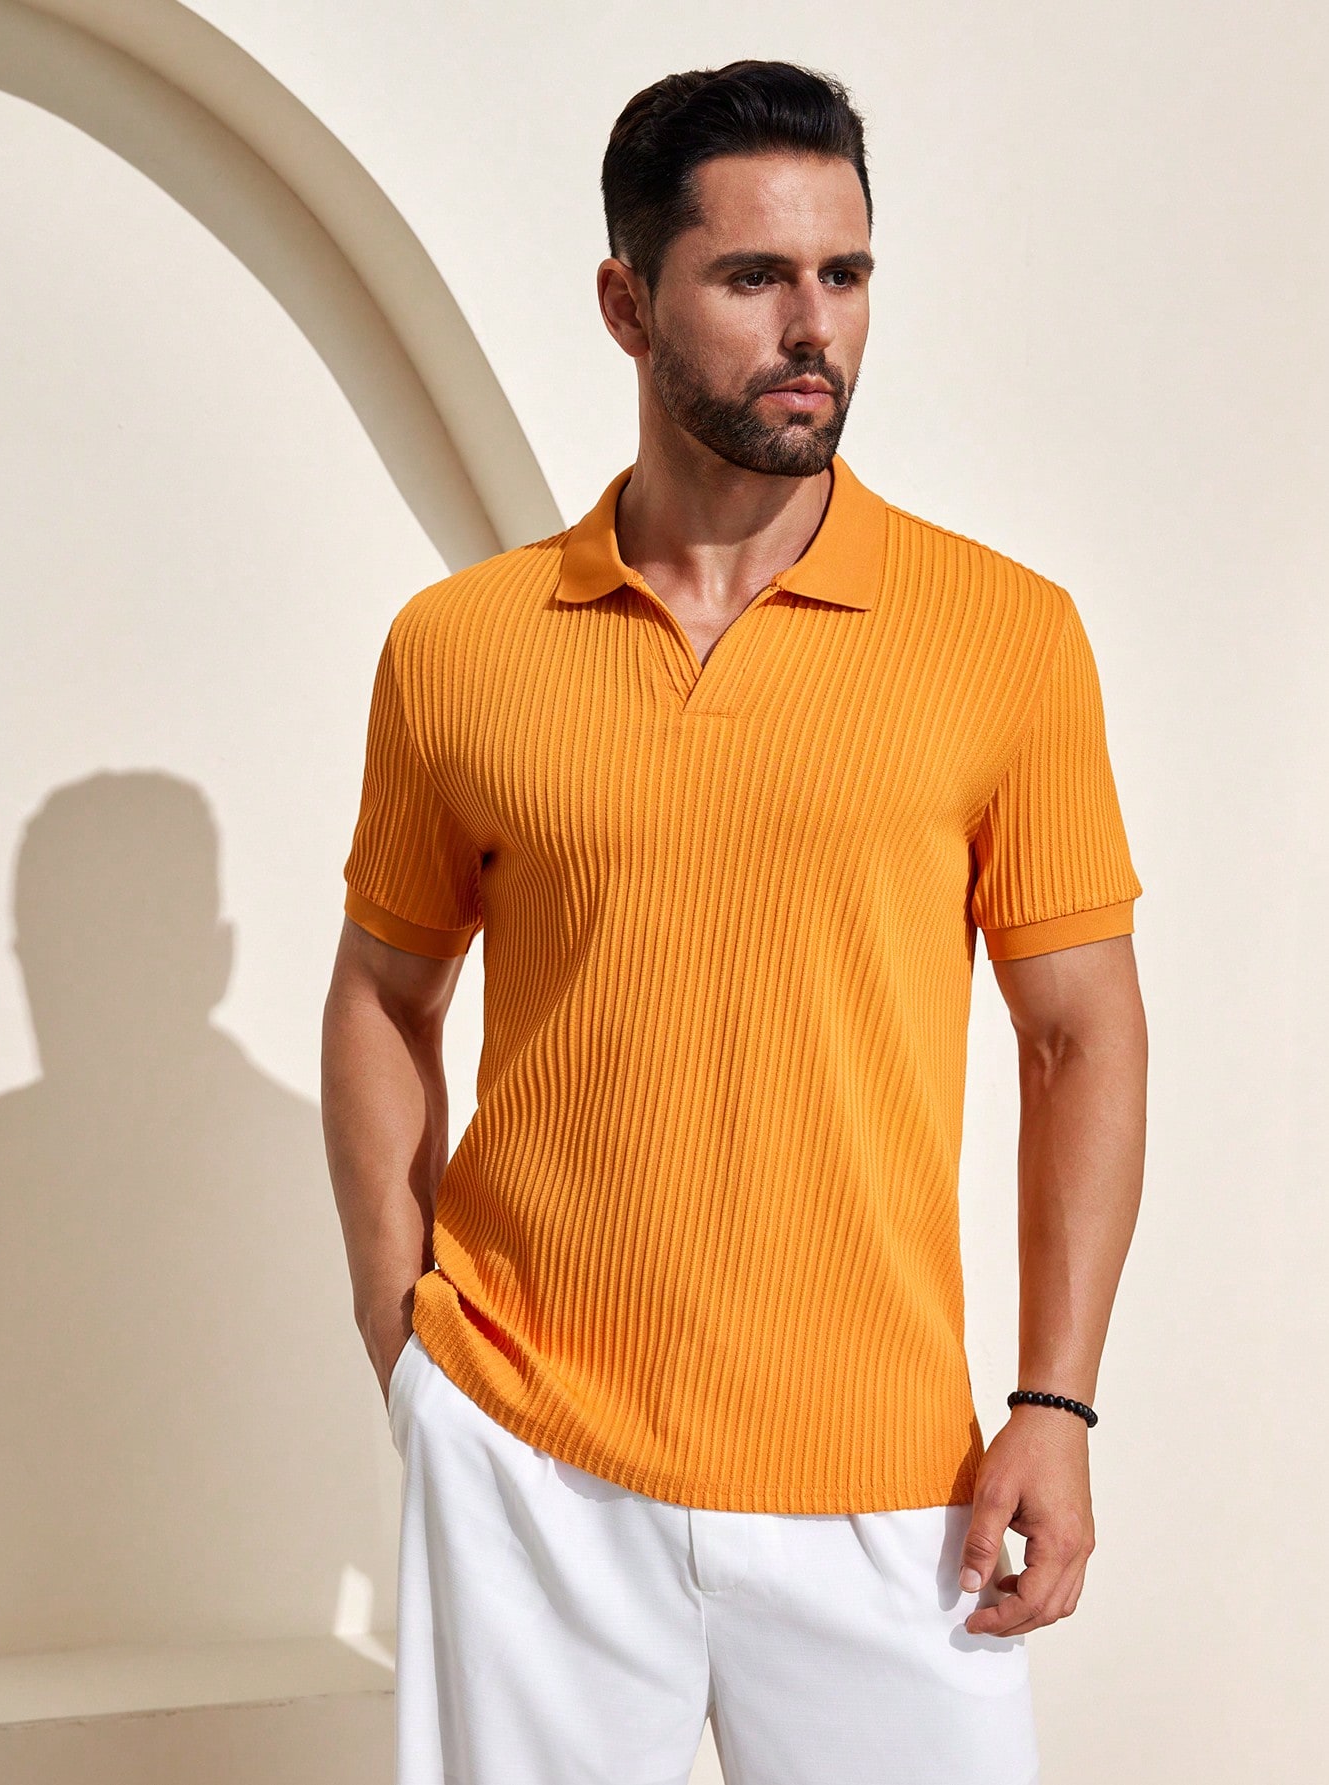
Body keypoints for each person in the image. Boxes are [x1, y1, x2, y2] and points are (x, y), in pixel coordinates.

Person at [321, 57, 1147, 1785]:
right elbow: (387, 993)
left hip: (890, 1477)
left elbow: (1080, 1035)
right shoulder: (460, 647)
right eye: (755, 275)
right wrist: (409, 1347)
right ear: (628, 304)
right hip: (528, 1455)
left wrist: (1055, 1404)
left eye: (844, 274)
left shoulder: (1004, 635)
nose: (812, 326)